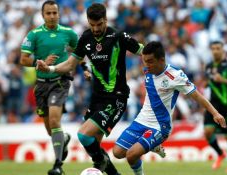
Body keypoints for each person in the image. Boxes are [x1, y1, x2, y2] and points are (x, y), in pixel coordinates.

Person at [36, 3, 145, 175]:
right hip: (96, 98)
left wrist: (157, 65)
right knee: (95, 144)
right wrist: (49, 69)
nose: (95, 28)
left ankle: (101, 163)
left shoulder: (117, 36)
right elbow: (70, 64)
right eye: (92, 25)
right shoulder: (86, 38)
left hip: (116, 98)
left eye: (99, 24)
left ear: (106, 20)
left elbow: (143, 51)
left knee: (84, 135)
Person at [112, 41, 227, 175]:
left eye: (150, 61)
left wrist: (215, 113)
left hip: (160, 126)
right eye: (144, 61)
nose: (146, 65)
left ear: (162, 60)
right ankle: (154, 145)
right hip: (141, 120)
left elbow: (197, 96)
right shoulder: (148, 68)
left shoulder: (175, 76)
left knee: (132, 155)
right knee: (117, 153)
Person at [20, 1, 78, 174]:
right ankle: (64, 138)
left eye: (54, 13)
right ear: (42, 15)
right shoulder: (34, 34)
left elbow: (78, 54)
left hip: (60, 82)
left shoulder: (69, 33)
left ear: (59, 14)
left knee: (54, 120)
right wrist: (40, 63)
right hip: (41, 85)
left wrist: (83, 68)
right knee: (50, 129)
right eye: (48, 13)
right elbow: (23, 59)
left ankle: (58, 166)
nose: (52, 16)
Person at [204, 41, 227, 173]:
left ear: (222, 50)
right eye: (213, 48)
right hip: (212, 105)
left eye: (218, 48)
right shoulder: (208, 67)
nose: (215, 51)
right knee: (208, 133)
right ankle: (220, 153)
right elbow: (208, 82)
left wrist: (223, 80)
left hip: (226, 106)